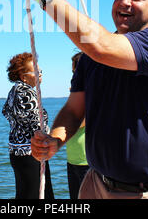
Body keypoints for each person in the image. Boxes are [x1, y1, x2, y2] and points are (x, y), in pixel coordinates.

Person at [14, 0, 148, 199]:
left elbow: (101, 45)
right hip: (96, 184)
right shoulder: (89, 58)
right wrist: (55, 140)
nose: (125, 2)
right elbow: (75, 111)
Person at [2, 52, 54, 199]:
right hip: (31, 154)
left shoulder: (14, 91)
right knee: (37, 195)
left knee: (25, 194)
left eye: (41, 70)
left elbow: (6, 112)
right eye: (36, 71)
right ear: (24, 76)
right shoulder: (25, 93)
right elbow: (37, 124)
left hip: (17, 153)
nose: (40, 74)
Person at [66, 52, 89, 199]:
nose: (74, 76)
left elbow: (80, 122)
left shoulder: (93, 92)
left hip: (87, 161)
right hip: (73, 159)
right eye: (74, 72)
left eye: (77, 71)